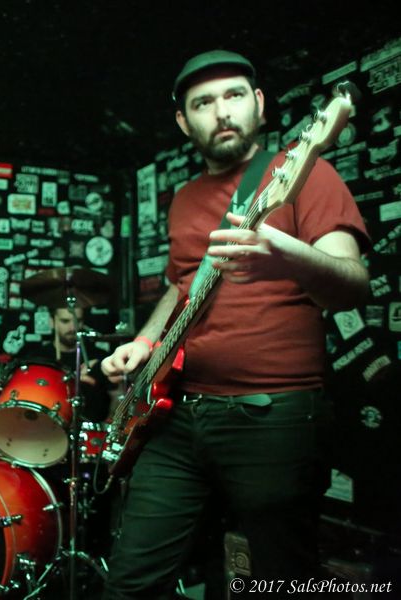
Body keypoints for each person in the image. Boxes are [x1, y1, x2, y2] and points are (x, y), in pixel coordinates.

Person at [99, 50, 369, 598]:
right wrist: (146, 341)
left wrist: (287, 255)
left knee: (281, 580)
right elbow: (181, 284)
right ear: (184, 122)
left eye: (234, 95)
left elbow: (353, 284)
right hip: (176, 415)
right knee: (131, 581)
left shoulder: (305, 172)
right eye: (203, 103)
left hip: (273, 415)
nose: (222, 111)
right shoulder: (183, 199)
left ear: (259, 104)